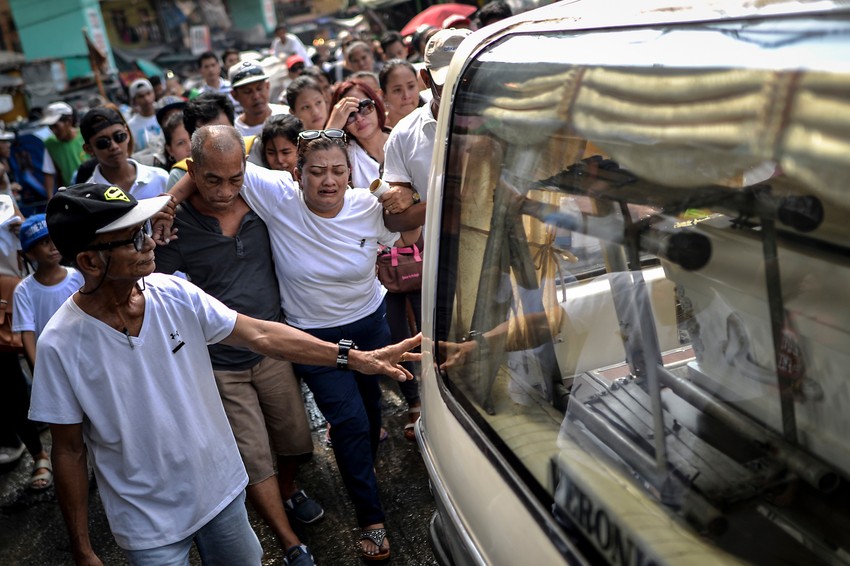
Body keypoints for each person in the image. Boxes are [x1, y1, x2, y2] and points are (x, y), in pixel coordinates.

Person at [30, 181, 418, 565]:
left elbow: (261, 333)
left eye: (145, 230)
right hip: (147, 522)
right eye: (132, 239)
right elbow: (67, 449)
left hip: (222, 491)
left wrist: (356, 358)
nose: (149, 243)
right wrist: (82, 549)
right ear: (89, 261)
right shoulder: (60, 344)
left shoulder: (174, 294)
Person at [168, 125, 421, 561]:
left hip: (372, 324)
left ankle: (357, 463)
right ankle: (371, 519)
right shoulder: (276, 196)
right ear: (295, 173)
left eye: (339, 171)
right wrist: (168, 205)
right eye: (317, 171)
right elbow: (210, 165)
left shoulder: (366, 207)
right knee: (351, 423)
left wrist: (408, 198)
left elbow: (409, 235)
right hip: (313, 338)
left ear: (349, 174)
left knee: (371, 415)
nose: (329, 181)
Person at [154, 126, 324, 561]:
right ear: (192, 171)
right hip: (221, 364)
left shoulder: (265, 202)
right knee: (253, 456)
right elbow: (153, 280)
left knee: (295, 439)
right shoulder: (177, 225)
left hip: (275, 350)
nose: (226, 191)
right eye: (213, 180)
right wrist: (167, 209)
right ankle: (291, 543)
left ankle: (289, 488)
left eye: (235, 178)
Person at [380, 28, 473, 230]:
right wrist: (448, 205)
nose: (456, 88)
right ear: (426, 77)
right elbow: (392, 219)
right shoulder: (403, 135)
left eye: (465, 78)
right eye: (446, 81)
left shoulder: (503, 120)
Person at [79, 106, 168, 200]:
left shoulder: (160, 178)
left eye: (119, 136)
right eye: (103, 143)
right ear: (89, 149)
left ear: (127, 133)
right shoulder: (89, 198)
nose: (114, 146)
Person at [328, 80, 388, 189]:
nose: (359, 119)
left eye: (365, 107)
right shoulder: (344, 156)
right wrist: (332, 127)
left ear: (376, 105)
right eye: (350, 115)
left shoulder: (403, 137)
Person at [229, 60, 289, 137]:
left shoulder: (288, 116)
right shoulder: (234, 133)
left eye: (259, 88)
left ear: (267, 86)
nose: (256, 96)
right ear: (234, 95)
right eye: (247, 91)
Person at [39, 101, 86, 188]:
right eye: (50, 127)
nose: (53, 131)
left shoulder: (85, 135)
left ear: (69, 121)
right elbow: (51, 172)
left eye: (56, 126)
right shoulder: (50, 144)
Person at [379, 59, 422, 129]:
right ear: (383, 95)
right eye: (397, 90)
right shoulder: (378, 131)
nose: (406, 96)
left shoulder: (435, 119)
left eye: (411, 86)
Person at [126, 78, 163, 152]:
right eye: (141, 96)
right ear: (134, 100)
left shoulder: (165, 114)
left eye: (148, 93)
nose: (146, 99)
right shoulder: (131, 126)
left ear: (153, 93)